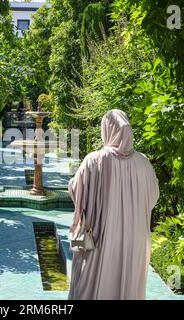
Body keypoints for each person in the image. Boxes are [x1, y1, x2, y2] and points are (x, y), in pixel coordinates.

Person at [68, 109, 159, 300]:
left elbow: (76, 191)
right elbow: (152, 198)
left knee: (89, 285)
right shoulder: (144, 163)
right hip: (136, 240)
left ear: (107, 130)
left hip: (99, 238)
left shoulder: (94, 160)